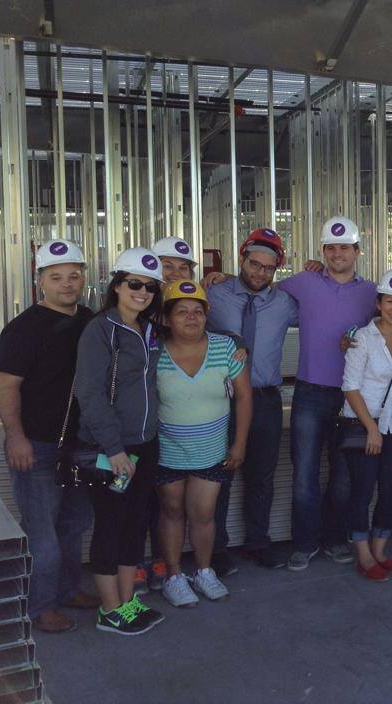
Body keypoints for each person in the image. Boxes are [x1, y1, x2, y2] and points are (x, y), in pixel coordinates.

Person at [0, 240, 100, 633]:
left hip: (79, 445)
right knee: (43, 531)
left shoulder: (90, 320)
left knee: (75, 522)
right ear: (40, 281)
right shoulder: (22, 330)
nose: (66, 284)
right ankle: (41, 607)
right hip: (36, 446)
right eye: (56, 277)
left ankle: (68, 590)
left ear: (84, 278)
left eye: (73, 275)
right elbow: (6, 387)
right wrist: (15, 437)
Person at [75, 248, 166, 635]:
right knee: (111, 525)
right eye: (134, 283)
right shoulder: (101, 330)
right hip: (112, 449)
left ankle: (128, 602)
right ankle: (109, 610)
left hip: (145, 444)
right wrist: (114, 449)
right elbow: (90, 394)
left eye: (150, 286)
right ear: (116, 285)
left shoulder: (150, 329)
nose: (142, 292)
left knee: (135, 524)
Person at [277, 216, 377, 570]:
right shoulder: (304, 282)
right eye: (330, 248)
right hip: (309, 392)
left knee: (343, 476)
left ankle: (335, 539)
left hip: (352, 397)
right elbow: (259, 288)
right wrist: (219, 280)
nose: (337, 254)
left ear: (357, 251)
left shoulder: (371, 293)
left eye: (344, 248)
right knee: (304, 474)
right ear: (322, 251)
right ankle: (304, 543)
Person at [155, 280, 253, 607]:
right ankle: (173, 576)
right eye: (182, 312)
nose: (191, 318)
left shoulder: (225, 348)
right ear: (167, 318)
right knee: (171, 512)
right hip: (167, 450)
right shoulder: (154, 351)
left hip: (211, 450)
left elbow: (244, 397)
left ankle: (203, 571)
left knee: (204, 514)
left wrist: (239, 444)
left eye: (198, 311)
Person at [206, 228, 298, 572]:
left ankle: (258, 543)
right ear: (241, 259)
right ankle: (216, 550)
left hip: (264, 400)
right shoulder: (213, 293)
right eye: (254, 264)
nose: (260, 273)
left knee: (261, 477)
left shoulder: (285, 303)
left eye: (268, 268)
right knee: (220, 477)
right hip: (221, 398)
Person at [129, 235, 198, 593]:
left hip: (169, 424)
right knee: (135, 499)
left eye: (182, 267)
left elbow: (212, 335)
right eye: (166, 265)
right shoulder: (135, 308)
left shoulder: (186, 308)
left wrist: (239, 342)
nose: (174, 273)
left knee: (164, 501)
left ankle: (160, 560)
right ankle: (134, 564)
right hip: (133, 424)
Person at [340, 269, 392, 581]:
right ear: (378, 303)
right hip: (362, 424)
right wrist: (371, 428)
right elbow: (350, 387)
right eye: (389, 301)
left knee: (391, 490)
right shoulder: (361, 337)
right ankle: (364, 555)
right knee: (362, 492)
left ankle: (381, 551)